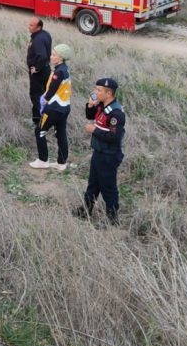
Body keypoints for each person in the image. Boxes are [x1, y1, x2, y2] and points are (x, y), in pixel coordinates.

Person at [76, 78, 126, 224]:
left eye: (98, 90)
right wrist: (90, 105)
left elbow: (114, 137)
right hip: (99, 153)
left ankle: (112, 219)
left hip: (109, 155)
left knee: (108, 188)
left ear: (109, 93)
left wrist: (94, 130)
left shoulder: (116, 113)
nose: (95, 92)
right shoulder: (102, 106)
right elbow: (90, 116)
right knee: (93, 184)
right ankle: (85, 211)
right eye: (95, 89)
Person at [29, 44, 72, 171]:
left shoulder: (58, 72)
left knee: (39, 131)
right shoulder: (65, 69)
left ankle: (43, 160)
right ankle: (61, 162)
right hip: (64, 107)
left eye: (54, 54)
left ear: (60, 58)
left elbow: (52, 89)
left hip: (54, 108)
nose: (51, 56)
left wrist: (44, 101)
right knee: (61, 133)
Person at [26, 17, 52, 141]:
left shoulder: (38, 40)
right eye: (29, 24)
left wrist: (36, 68)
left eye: (31, 25)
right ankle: (37, 118)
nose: (29, 27)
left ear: (38, 27)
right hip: (46, 70)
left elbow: (42, 56)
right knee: (44, 96)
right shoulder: (45, 35)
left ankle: (40, 123)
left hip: (39, 73)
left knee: (36, 96)